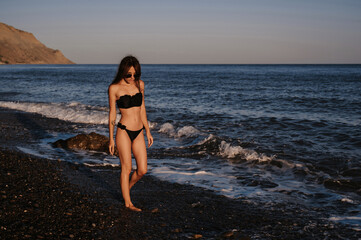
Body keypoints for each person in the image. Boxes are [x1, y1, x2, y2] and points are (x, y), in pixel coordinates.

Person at [108, 55, 153, 211]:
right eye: (129, 74)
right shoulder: (114, 88)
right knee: (126, 168)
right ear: (123, 71)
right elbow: (112, 114)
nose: (132, 77)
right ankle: (128, 203)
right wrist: (111, 139)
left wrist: (147, 130)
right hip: (124, 131)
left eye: (135, 74)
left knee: (142, 170)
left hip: (139, 131)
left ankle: (126, 187)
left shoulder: (140, 85)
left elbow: (142, 109)